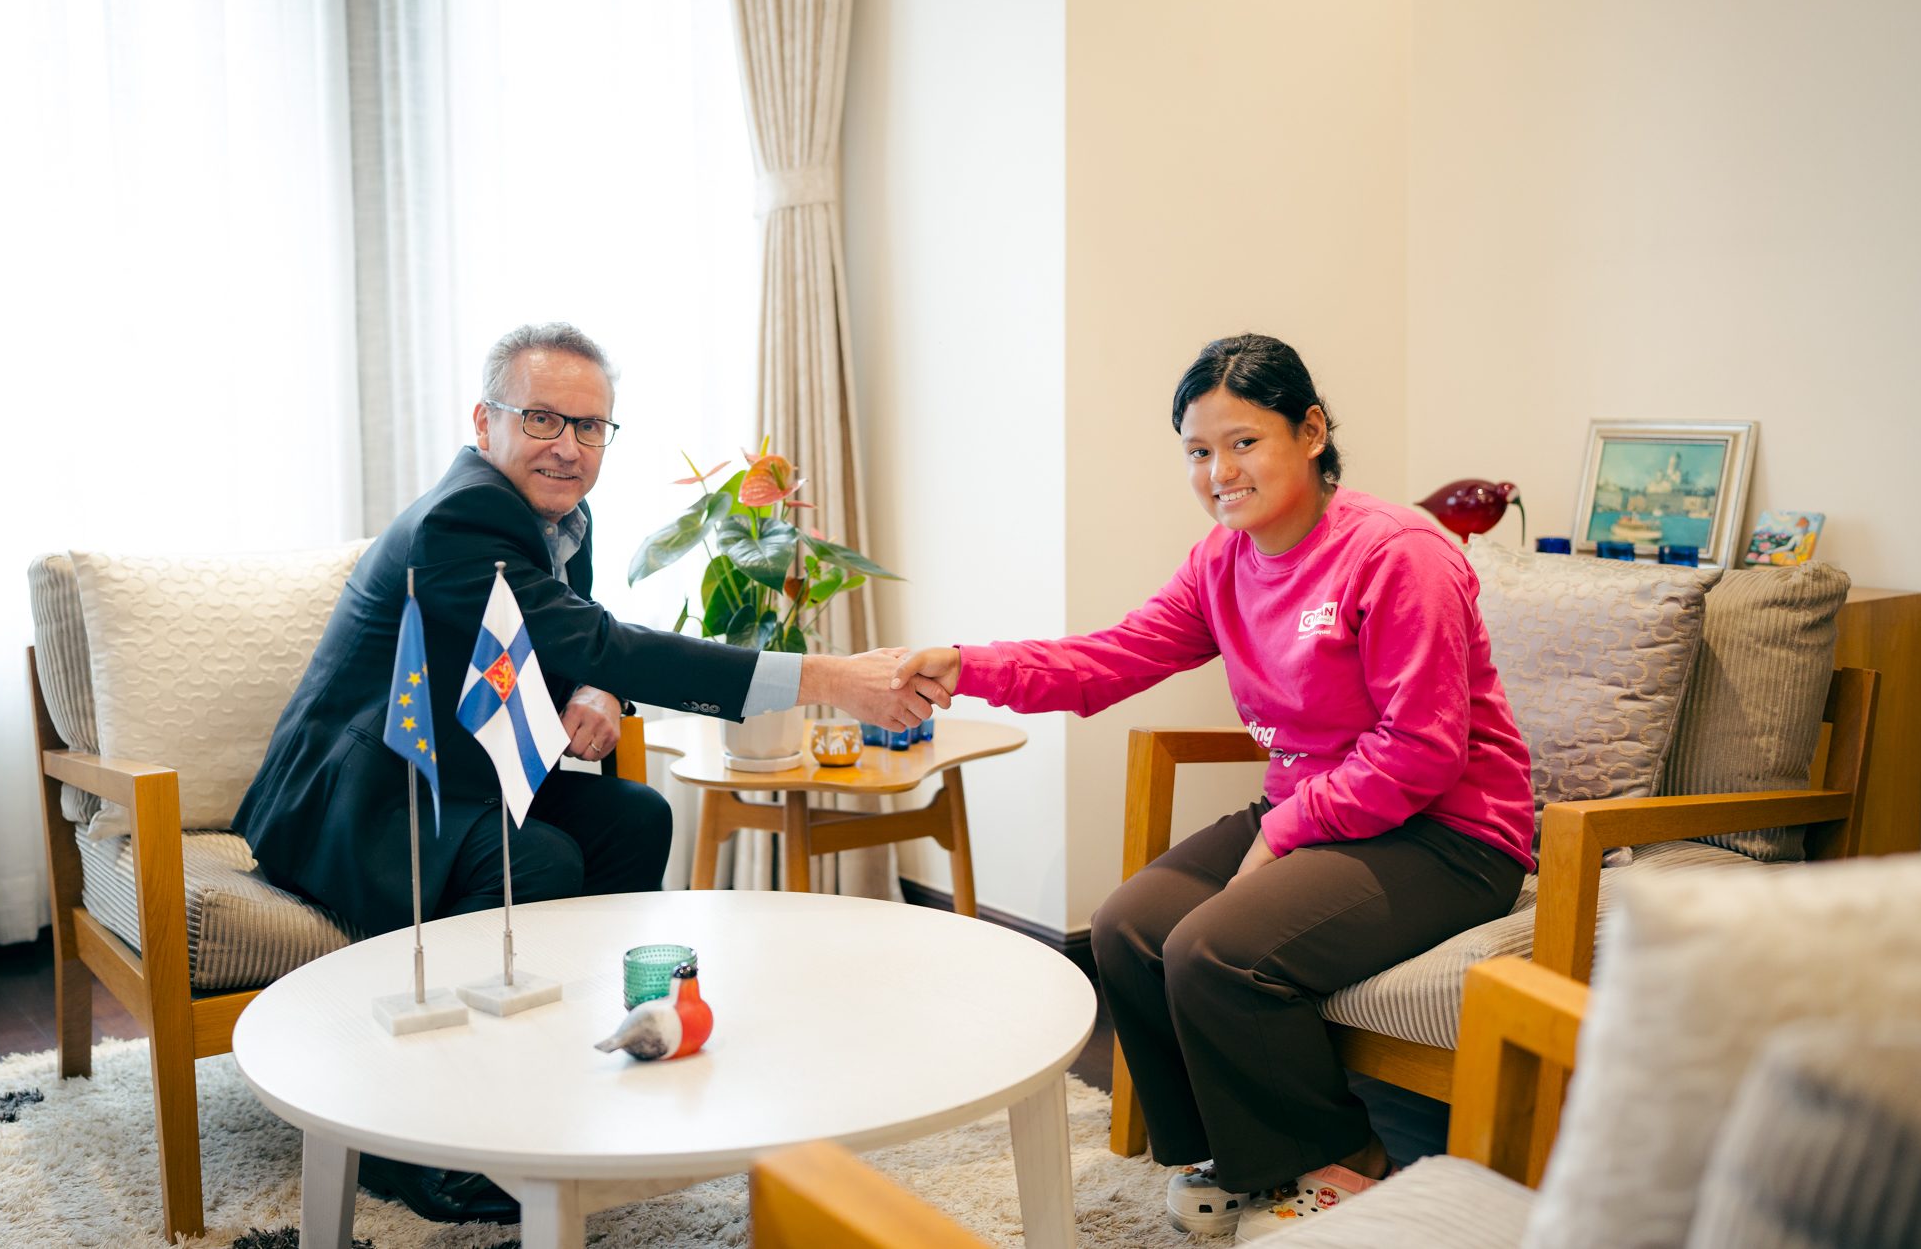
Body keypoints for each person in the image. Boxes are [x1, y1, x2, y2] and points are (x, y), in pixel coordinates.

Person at [234, 322, 929, 1223]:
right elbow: (595, 635)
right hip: (364, 794)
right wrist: (830, 677)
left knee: (637, 819)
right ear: (484, 421)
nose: (569, 445)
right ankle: (416, 1142)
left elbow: (574, 632)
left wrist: (597, 685)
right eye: (543, 418)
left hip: (466, 768)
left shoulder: (560, 514)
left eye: (592, 426)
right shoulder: (464, 515)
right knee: (544, 861)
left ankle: (551, 1064)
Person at [892, 334, 1534, 1242]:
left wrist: (1283, 833)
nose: (1219, 470)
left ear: (1310, 431)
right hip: (1318, 811)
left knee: (1213, 948)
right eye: (1199, 451)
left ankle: (1350, 1158)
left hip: (1449, 832)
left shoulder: (1399, 554)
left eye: (1243, 441)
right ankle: (1231, 1152)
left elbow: (1421, 752)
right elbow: (1101, 662)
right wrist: (966, 664)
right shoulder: (1222, 561)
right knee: (1127, 924)